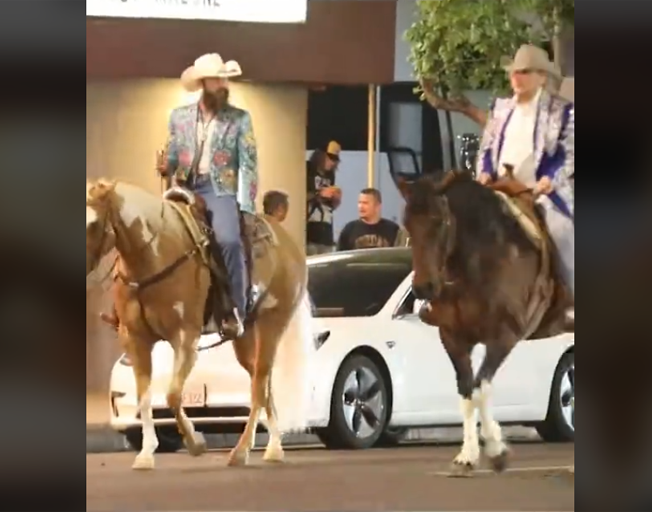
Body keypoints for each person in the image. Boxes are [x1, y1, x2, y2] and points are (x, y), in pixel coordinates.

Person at [156, 52, 258, 338]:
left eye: (224, 79)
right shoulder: (179, 117)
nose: (222, 84)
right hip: (184, 186)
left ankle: (238, 308)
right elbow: (174, 154)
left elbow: (249, 165)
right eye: (216, 79)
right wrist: (167, 165)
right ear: (203, 83)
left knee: (228, 240)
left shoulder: (239, 119)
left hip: (218, 189)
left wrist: (247, 207)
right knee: (153, 233)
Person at [476, 44, 574, 308]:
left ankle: (571, 298)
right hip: (499, 189)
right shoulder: (500, 109)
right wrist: (484, 171)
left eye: (524, 72)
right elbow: (486, 148)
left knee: (562, 232)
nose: (516, 78)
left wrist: (549, 180)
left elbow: (568, 153)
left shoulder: (562, 111)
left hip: (539, 193)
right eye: (514, 72)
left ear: (542, 76)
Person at [337, 188, 404, 250]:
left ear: (377, 206)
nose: (361, 206)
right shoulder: (349, 229)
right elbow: (339, 257)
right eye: (359, 202)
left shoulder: (392, 229)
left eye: (365, 203)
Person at [306, 141, 342, 255]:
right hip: (309, 230)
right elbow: (299, 196)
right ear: (321, 155)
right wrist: (319, 194)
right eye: (330, 157)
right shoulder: (308, 169)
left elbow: (330, 206)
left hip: (326, 230)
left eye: (335, 159)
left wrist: (336, 200)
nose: (332, 162)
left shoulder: (330, 175)